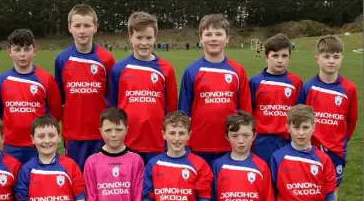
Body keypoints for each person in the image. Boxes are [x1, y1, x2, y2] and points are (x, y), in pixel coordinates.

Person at [178, 13, 252, 166]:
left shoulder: (238, 70)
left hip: (230, 145)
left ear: (227, 39)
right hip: (199, 144)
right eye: (208, 34)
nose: (213, 38)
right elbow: (184, 113)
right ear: (200, 39)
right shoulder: (191, 71)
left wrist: (243, 139)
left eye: (218, 34)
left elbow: (246, 112)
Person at [298, 35, 358, 201]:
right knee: (310, 188)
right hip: (311, 149)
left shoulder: (349, 88)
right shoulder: (308, 87)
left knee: (332, 191)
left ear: (342, 58)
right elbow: (300, 118)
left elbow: (351, 121)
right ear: (317, 59)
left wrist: (339, 142)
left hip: (336, 151)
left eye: (336, 56)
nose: (331, 61)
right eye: (327, 56)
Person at [110, 11, 178, 164]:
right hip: (127, 142)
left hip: (157, 142)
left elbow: (171, 109)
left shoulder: (166, 69)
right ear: (130, 37)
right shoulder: (119, 69)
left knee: (155, 185)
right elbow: (114, 107)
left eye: (149, 38)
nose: (144, 43)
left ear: (155, 37)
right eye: (139, 38)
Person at [54, 4, 115, 171]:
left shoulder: (106, 59)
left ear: (95, 27)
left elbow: (111, 98)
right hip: (73, 133)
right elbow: (59, 98)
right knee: (76, 179)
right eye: (77, 25)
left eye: (87, 25)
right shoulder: (62, 59)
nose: (82, 31)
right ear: (70, 28)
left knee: (100, 179)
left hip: (100, 132)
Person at [0, 29, 62, 165]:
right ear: (9, 52)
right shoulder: (1, 81)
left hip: (39, 145)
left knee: (38, 183)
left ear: (34, 51)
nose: (22, 54)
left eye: (27, 49)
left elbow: (55, 113)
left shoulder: (46, 79)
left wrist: (43, 135)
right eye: (17, 50)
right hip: (10, 145)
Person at [143, 111, 212, 201]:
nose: (176, 138)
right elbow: (148, 198)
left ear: (189, 135)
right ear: (163, 134)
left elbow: (204, 197)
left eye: (181, 133)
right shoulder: (153, 164)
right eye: (172, 133)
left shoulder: (200, 164)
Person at [271, 104, 336, 201]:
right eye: (296, 127)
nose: (301, 133)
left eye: (305, 127)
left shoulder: (323, 159)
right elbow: (272, 194)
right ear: (288, 128)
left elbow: (329, 196)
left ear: (313, 127)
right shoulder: (278, 157)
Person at [207, 111, 276, 201]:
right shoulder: (218, 165)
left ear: (254, 136)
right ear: (227, 137)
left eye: (246, 135)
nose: (240, 141)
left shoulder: (261, 166)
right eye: (234, 136)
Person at [15, 115, 85, 201]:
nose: (47, 141)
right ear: (32, 139)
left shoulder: (70, 165)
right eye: (41, 136)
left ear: (59, 137)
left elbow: (80, 199)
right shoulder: (26, 170)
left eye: (51, 135)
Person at [249, 33, 303, 164]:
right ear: (266, 57)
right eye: (275, 56)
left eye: (284, 56)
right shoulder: (255, 82)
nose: (280, 60)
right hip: (261, 141)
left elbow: (300, 114)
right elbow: (248, 113)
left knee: (284, 180)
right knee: (263, 179)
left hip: (287, 140)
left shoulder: (295, 82)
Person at [84, 107, 144, 201]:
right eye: (108, 130)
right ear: (100, 131)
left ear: (126, 129)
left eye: (118, 129)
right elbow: (90, 199)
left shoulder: (136, 160)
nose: (113, 134)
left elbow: (138, 197)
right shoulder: (91, 162)